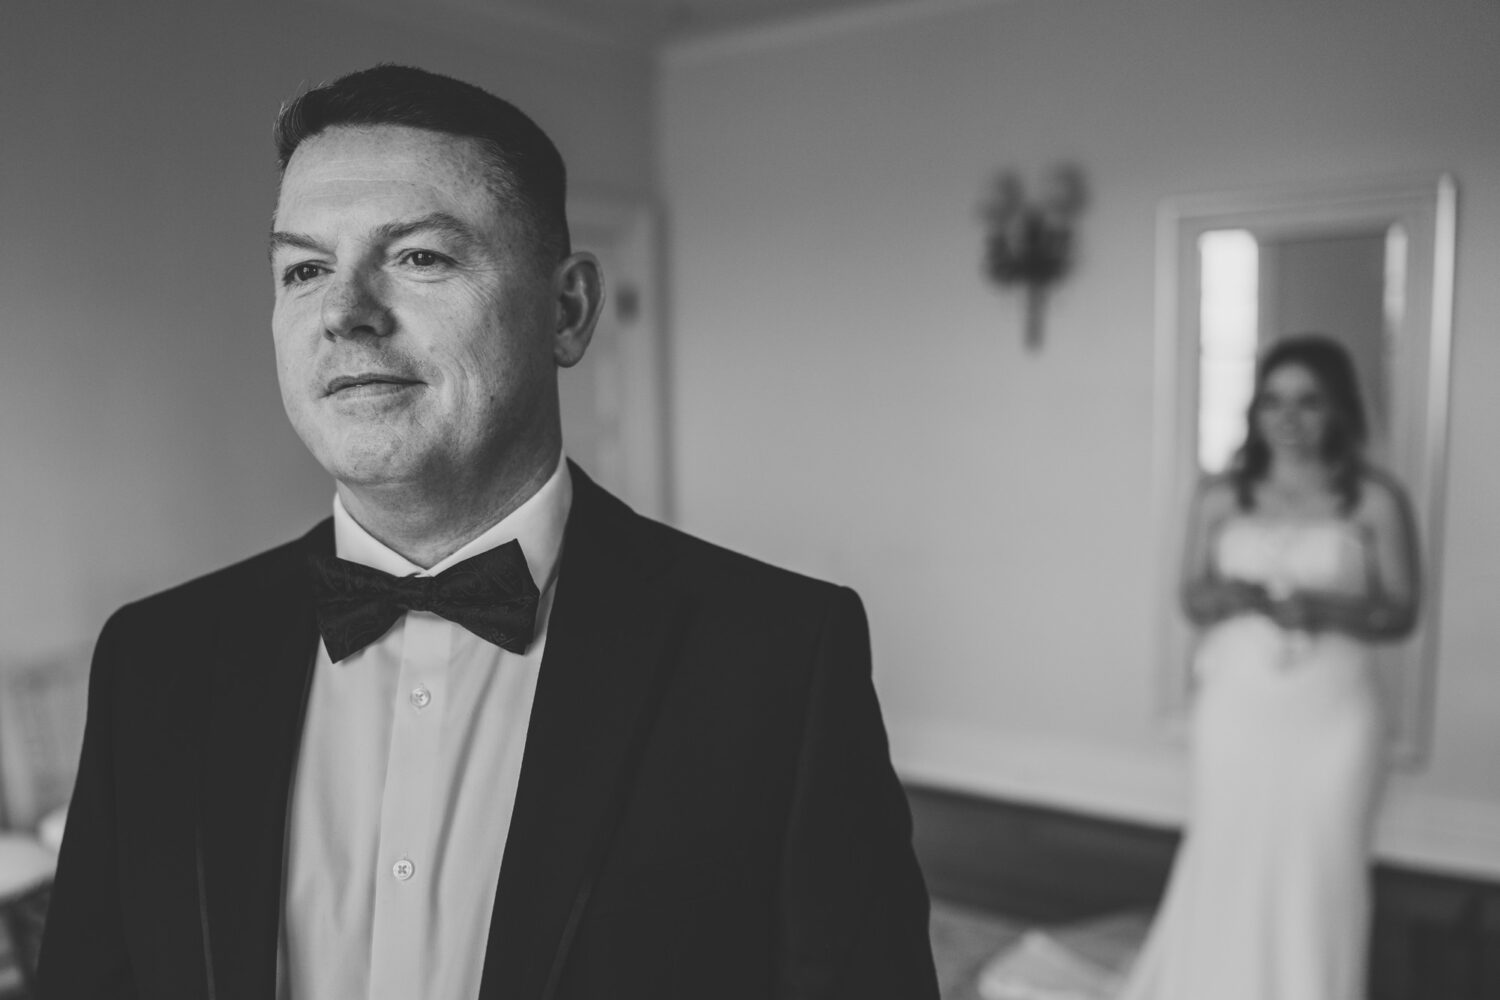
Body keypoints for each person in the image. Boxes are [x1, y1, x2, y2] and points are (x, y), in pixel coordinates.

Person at [37, 64, 939, 1000]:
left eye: (421, 257)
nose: (345, 314)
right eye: (305, 269)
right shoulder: (154, 659)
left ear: (569, 309)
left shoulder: (782, 657)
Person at [1119, 334, 1420, 1000]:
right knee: (1227, 850)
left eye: (1309, 402)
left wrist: (1328, 609)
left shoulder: (1375, 500)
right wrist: (1237, 597)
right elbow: (1190, 596)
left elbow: (1402, 612)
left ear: (1340, 409)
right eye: (1274, 401)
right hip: (1237, 706)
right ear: (1255, 412)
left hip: (1334, 710)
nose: (1289, 417)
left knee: (1323, 861)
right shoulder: (1220, 497)